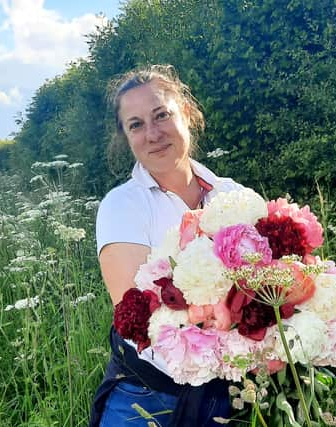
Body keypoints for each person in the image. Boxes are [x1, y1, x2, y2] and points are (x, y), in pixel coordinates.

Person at [89, 65, 243, 427]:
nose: (153, 134)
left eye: (162, 115)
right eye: (136, 124)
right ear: (125, 137)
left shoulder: (233, 195)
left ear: (186, 114)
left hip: (234, 391)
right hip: (148, 394)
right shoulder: (122, 205)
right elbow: (139, 319)